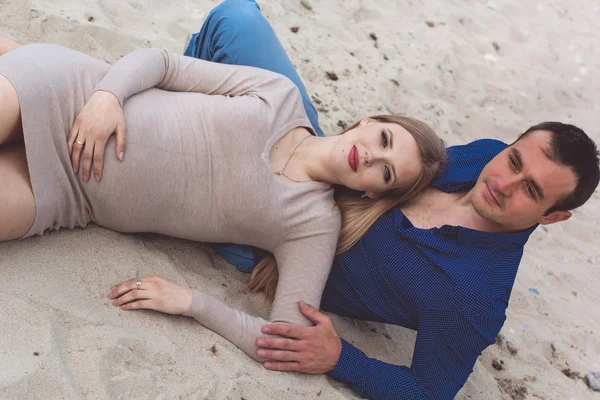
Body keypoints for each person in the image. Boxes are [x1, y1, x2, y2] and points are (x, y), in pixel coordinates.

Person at [146, 1, 597, 399]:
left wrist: (343, 359)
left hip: (270, 237)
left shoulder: (475, 299)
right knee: (236, 18)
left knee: (164, 169)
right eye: (514, 160)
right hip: (320, 160)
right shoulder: (485, 155)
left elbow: (427, 391)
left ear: (554, 216)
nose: (505, 182)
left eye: (532, 191)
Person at [0, 11, 446, 388]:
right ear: (367, 121)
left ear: (373, 192)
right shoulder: (280, 95)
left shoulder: (313, 225)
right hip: (70, 94)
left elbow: (281, 335)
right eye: (384, 138)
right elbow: (163, 64)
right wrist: (106, 96)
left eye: (385, 171)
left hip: (67, 197)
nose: (371, 155)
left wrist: (192, 301)